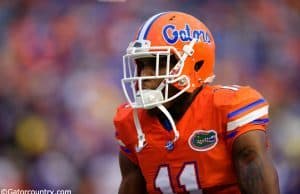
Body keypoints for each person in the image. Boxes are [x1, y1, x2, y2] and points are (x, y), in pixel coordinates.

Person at [113, 11, 280, 194]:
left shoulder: (228, 107)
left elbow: (253, 168)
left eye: (157, 64)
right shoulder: (132, 122)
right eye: (142, 65)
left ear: (196, 64)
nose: (145, 75)